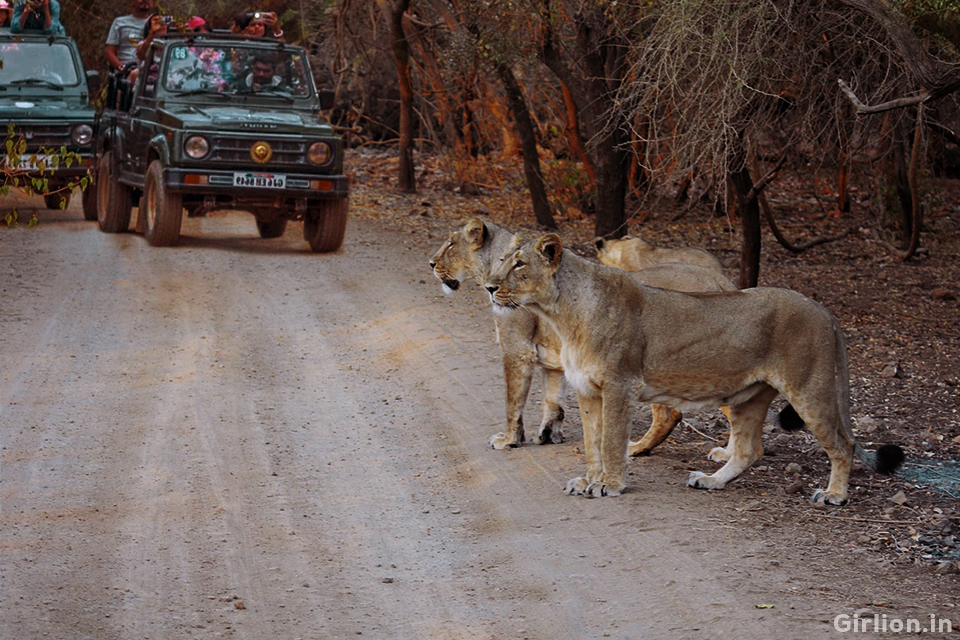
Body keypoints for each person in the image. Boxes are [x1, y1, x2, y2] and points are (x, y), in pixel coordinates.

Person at [105, 0, 155, 73]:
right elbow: (109, 52)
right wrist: (123, 69)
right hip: (125, 72)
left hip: (150, 73)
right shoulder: (119, 22)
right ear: (132, 2)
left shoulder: (158, 25)